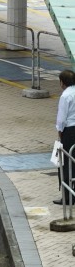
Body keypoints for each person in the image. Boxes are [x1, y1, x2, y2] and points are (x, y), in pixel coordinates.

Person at [57, 70, 75, 204]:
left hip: (69, 131)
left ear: (62, 82)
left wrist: (59, 131)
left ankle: (68, 197)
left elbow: (62, 118)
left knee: (66, 162)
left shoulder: (65, 95)